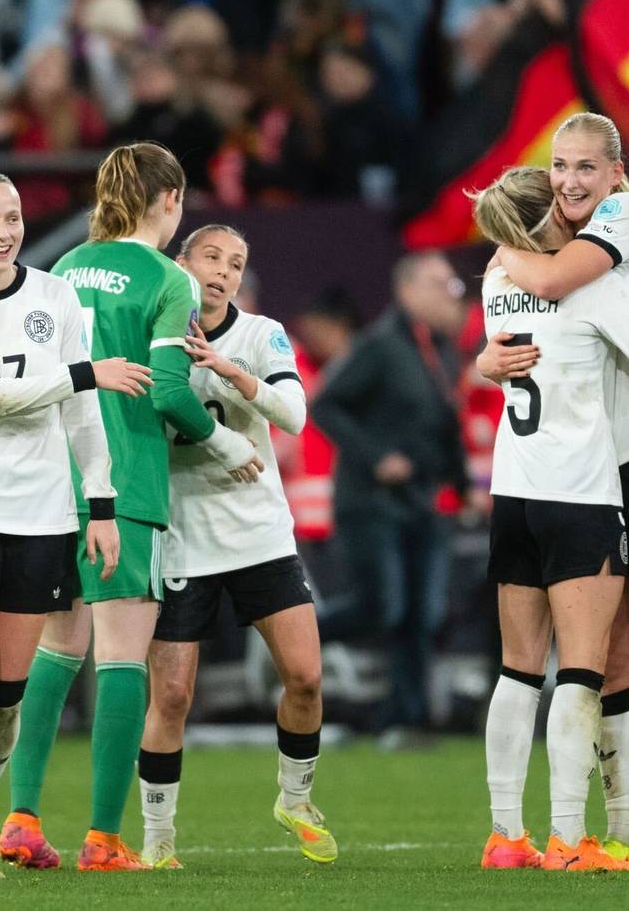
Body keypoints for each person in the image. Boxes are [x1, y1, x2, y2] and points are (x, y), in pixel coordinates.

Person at [0, 142, 262, 872]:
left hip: (55, 483)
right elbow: (173, 390)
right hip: (128, 482)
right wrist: (226, 446)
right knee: (120, 659)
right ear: (170, 200)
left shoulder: (60, 270)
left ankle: (22, 816)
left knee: (56, 651)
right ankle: (104, 839)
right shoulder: (168, 278)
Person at [0, 168, 152, 879]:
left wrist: (101, 504)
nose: (2, 232)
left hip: (42, 510)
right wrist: (83, 373)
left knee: (6, 698)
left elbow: (83, 417)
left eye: (12, 217)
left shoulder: (56, 297)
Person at [136, 223, 337, 868]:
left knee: (305, 678)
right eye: (210, 257)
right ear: (181, 264)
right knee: (171, 698)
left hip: (258, 534)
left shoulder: (261, 334)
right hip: (181, 537)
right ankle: (158, 838)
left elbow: (295, 416)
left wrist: (228, 373)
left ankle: (295, 798)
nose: (222, 271)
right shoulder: (149, 338)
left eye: (236, 262)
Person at [476, 112, 629, 863]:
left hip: (514, 489)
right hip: (583, 490)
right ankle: (572, 838)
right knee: (583, 668)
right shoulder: (594, 287)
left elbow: (499, 346)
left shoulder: (498, 280)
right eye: (560, 170)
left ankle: (506, 835)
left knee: (515, 667)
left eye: (584, 170)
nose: (571, 183)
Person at [311, 251, 468, 743]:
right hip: (368, 503)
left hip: (419, 503)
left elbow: (446, 427)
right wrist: (376, 457)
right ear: (408, 290)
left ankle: (406, 716)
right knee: (383, 608)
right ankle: (294, 638)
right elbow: (327, 405)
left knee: (421, 616)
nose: (452, 294)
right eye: (441, 284)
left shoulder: (440, 350)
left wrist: (462, 488)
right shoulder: (378, 345)